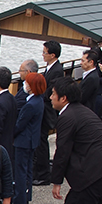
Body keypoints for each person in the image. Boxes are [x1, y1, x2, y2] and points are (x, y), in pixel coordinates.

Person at [12, 73, 45, 204]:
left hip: (23, 141)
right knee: (27, 170)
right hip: (32, 139)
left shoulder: (30, 105)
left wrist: (11, 134)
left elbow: (20, 125)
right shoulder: (38, 100)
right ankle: (26, 196)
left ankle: (19, 200)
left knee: (20, 170)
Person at [33, 40, 63, 186]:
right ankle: (39, 170)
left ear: (52, 54)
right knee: (39, 141)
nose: (43, 55)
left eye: (45, 52)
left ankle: (44, 174)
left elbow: (49, 90)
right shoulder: (50, 67)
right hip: (43, 108)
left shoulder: (57, 70)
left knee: (42, 142)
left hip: (46, 111)